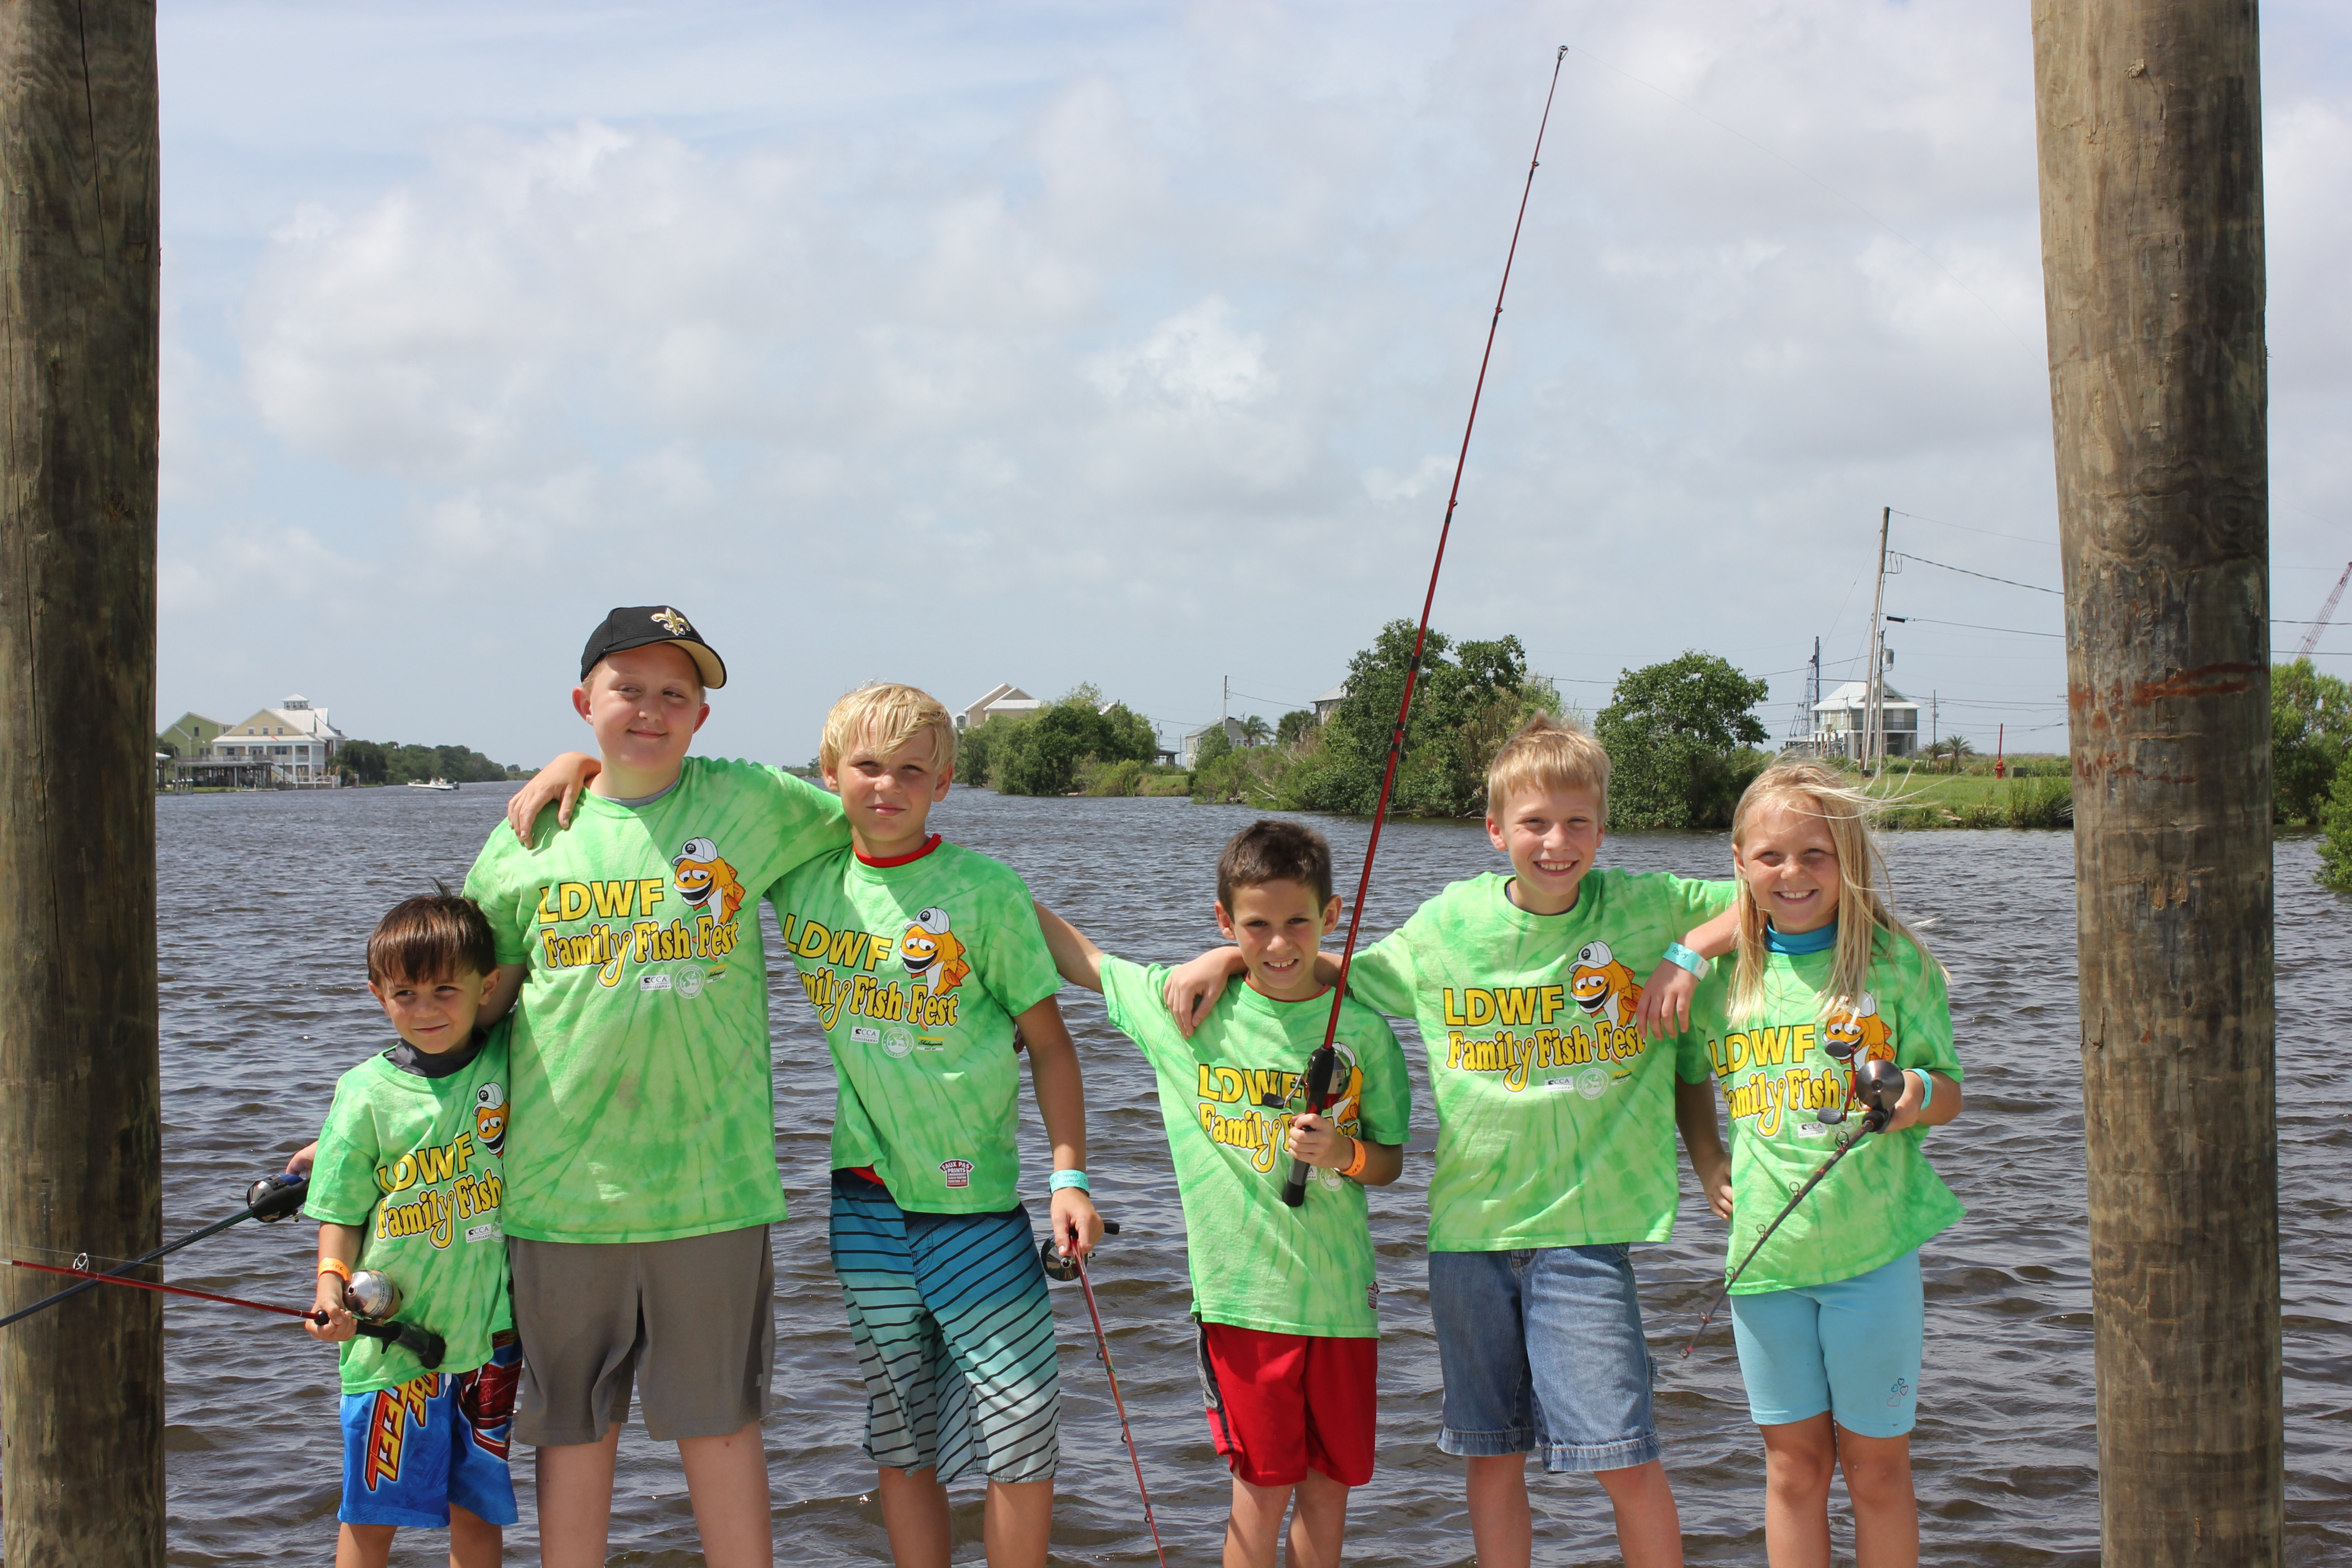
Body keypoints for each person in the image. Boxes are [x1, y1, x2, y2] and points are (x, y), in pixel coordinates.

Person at [1163, 714, 1731, 1568]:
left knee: (1623, 1456)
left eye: (1577, 822)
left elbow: (1785, 891)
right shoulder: (1448, 924)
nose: (1556, 842)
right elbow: (1329, 967)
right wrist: (1227, 959)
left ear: (1603, 828)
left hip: (1585, 1237)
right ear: (1496, 830)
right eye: (1534, 823)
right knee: (1489, 1456)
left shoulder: (1650, 908)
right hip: (1468, 1239)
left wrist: (1690, 952)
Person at [462, 606, 851, 1568]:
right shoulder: (526, 837)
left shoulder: (752, 803)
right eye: (627, 689)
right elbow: (469, 1013)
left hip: (711, 1193)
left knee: (721, 1427)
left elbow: (882, 816)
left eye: (676, 694)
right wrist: (373, 1125)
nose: (650, 709)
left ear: (702, 717)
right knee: (571, 1434)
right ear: (582, 701)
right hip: (558, 1199)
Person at [771, 683, 1101, 1568]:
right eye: (867, 767)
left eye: (912, 771)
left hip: (976, 1208)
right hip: (865, 1205)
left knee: (1023, 1421)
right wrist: (577, 766)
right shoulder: (798, 876)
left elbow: (1052, 1046)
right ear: (829, 773)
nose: (888, 786)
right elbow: (685, 799)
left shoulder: (984, 891)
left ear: (945, 782)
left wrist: (1068, 1177)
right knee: (902, 1429)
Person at [1035, 818, 1411, 1568]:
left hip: (1343, 1303)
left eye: (1298, 922)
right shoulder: (1184, 1010)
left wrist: (1344, 1153)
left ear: (1332, 916)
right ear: (1224, 921)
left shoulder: (1366, 1032)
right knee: (1260, 1493)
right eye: (1256, 927)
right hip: (1244, 1304)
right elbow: (1087, 961)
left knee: (1330, 1488)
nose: (1279, 944)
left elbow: (1391, 1162)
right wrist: (986, 883)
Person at [1669, 761, 1964, 1568]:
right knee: (1794, 1469)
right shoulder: (1723, 980)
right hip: (1765, 1267)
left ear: (1848, 860)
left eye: (1815, 855)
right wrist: (1708, 1159)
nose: (1792, 873)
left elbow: (1950, 1091)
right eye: (1770, 856)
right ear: (1739, 862)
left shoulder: (1896, 964)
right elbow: (1688, 1073)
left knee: (1876, 1471)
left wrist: (1913, 1091)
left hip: (1873, 1260)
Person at [304, 892, 520, 1568]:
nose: (426, 1010)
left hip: (490, 1342)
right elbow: (341, 1212)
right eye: (405, 994)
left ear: (488, 987)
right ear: (379, 996)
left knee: (478, 1511)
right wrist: (331, 1290)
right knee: (372, 1516)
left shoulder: (511, 1056)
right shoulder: (363, 1093)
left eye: (445, 990)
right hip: (392, 1347)